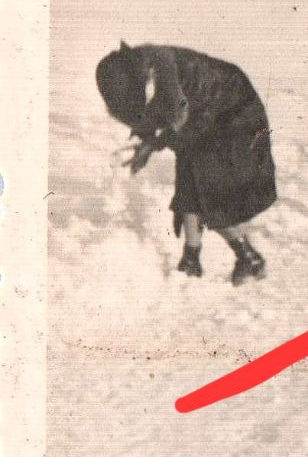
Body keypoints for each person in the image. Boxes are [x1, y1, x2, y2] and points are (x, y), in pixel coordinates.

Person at [94, 42, 277, 285]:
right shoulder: (141, 70)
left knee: (208, 188)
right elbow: (153, 116)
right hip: (202, 113)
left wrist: (157, 142)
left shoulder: (166, 75)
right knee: (189, 180)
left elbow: (193, 122)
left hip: (234, 114)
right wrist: (150, 140)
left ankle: (248, 257)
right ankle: (192, 259)